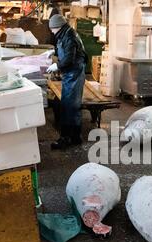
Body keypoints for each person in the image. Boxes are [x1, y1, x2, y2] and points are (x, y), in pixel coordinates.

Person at [47, 14, 88, 150]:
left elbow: (69, 57)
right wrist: (55, 51)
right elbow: (66, 49)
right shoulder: (65, 33)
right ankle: (75, 137)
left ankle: (66, 138)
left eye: (52, 29)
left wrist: (57, 66)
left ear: (57, 26)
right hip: (72, 72)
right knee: (72, 106)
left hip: (73, 73)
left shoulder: (69, 35)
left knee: (68, 105)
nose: (52, 31)